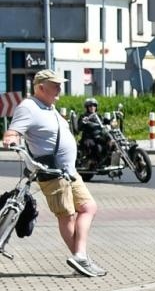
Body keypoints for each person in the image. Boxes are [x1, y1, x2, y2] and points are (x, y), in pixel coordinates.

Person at [0, 69, 105, 277]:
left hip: (69, 172)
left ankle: (80, 255)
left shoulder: (49, 107)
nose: (59, 88)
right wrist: (11, 139)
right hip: (52, 172)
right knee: (67, 216)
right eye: (55, 85)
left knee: (89, 207)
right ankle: (80, 258)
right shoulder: (29, 107)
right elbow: (12, 132)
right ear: (40, 87)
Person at [74, 97, 115, 171]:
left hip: (99, 137)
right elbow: (79, 128)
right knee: (96, 147)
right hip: (88, 137)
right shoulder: (84, 116)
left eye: (94, 105)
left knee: (110, 141)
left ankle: (108, 159)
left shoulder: (98, 116)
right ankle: (92, 161)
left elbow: (105, 123)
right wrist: (83, 122)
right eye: (90, 106)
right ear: (87, 107)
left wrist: (110, 121)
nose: (92, 107)